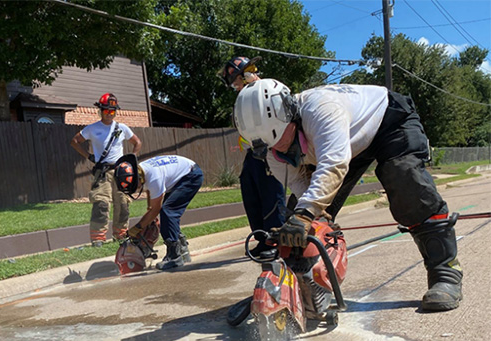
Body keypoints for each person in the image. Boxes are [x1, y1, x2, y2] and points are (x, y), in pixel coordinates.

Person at [234, 79, 462, 312]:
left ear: (290, 115)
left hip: (388, 121)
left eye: (283, 139)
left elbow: (333, 165)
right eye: (273, 146)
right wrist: (313, 216)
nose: (280, 149)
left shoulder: (321, 109)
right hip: (345, 143)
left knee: (404, 178)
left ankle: (445, 272)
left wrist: (308, 212)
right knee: (297, 222)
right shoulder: (268, 147)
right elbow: (299, 183)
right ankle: (298, 289)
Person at [219, 56, 286, 259]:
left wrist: (252, 81)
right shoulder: (244, 98)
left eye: (237, 82)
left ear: (246, 75)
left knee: (271, 195)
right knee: (251, 195)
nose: (236, 87)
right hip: (252, 153)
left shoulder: (265, 90)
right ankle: (262, 237)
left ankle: (276, 240)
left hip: (270, 149)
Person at [71, 93, 142, 246]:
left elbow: (137, 143)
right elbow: (75, 141)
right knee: (101, 204)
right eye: (107, 111)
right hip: (102, 172)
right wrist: (89, 157)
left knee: (123, 203)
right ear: (100, 110)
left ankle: (121, 236)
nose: (109, 114)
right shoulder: (92, 128)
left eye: (112, 111)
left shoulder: (122, 128)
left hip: (121, 172)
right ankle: (98, 239)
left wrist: (131, 161)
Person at [113, 154, 203, 270]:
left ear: (138, 178)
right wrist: (149, 215)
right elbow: (151, 199)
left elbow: (156, 209)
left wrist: (137, 228)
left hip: (191, 176)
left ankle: (174, 256)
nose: (136, 190)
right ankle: (182, 250)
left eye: (135, 187)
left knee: (168, 210)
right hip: (183, 175)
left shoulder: (153, 178)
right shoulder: (142, 172)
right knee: (168, 214)